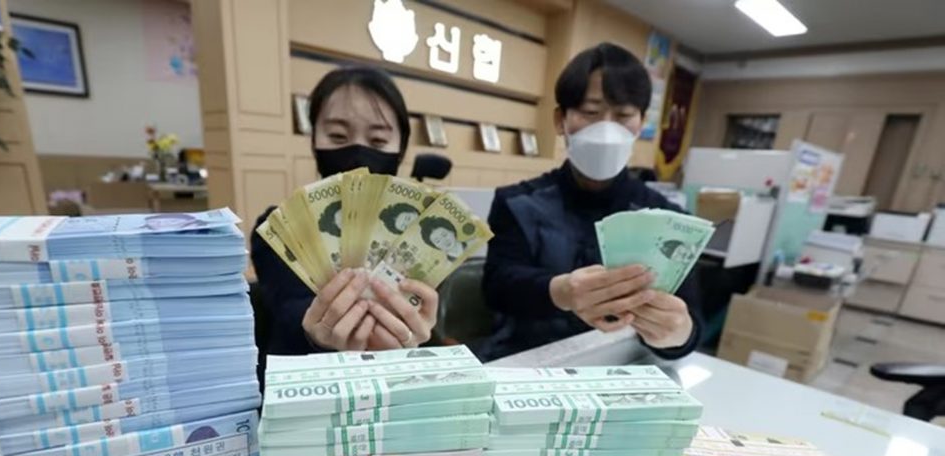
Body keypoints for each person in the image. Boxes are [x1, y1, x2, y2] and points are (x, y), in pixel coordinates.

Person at [480, 43, 704, 361]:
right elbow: (496, 288)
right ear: (560, 119)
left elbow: (689, 320)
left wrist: (678, 334)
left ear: (641, 123)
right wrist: (560, 291)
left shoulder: (668, 219)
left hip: (622, 362)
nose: (606, 129)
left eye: (623, 115)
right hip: (529, 359)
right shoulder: (517, 202)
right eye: (590, 112)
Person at [252, 67, 438, 355]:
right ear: (314, 141)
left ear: (400, 149)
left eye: (378, 141)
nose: (358, 152)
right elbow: (288, 315)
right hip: (306, 371)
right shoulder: (278, 228)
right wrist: (316, 335)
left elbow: (420, 320)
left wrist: (419, 336)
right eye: (338, 136)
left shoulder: (421, 233)